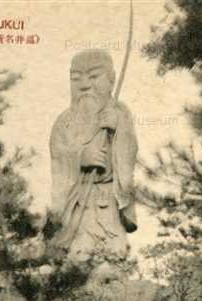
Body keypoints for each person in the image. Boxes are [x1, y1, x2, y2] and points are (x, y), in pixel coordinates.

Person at [49, 49, 138, 260]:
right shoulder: (65, 121)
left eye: (94, 77)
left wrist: (118, 130)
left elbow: (130, 154)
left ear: (112, 80)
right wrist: (80, 157)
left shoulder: (120, 113)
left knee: (115, 255)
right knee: (80, 256)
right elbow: (58, 156)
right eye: (76, 79)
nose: (84, 85)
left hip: (109, 201)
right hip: (79, 202)